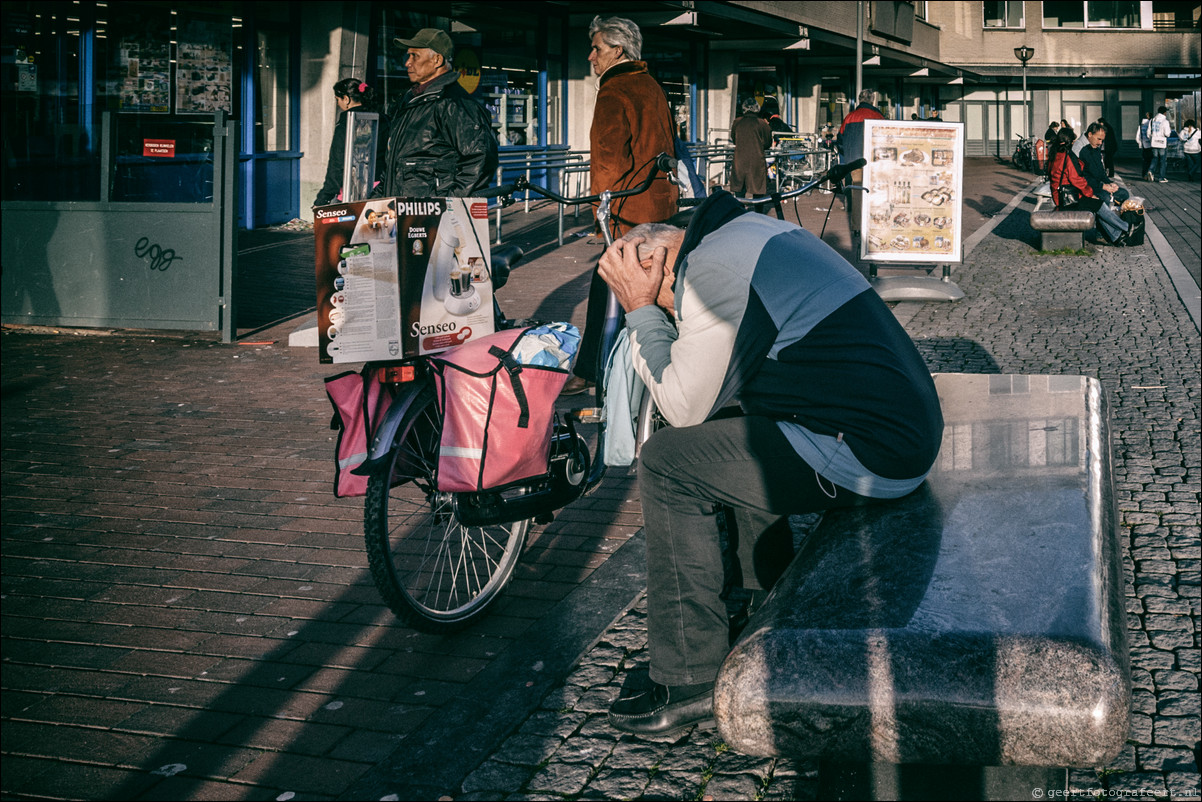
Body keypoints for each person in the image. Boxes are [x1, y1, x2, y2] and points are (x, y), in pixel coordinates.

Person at [595, 191, 944, 735]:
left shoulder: (711, 272)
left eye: (659, 295)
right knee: (730, 417)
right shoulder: (748, 233)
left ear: (661, 265)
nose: (670, 309)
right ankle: (765, 603)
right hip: (892, 430)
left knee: (667, 462)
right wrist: (653, 306)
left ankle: (689, 674)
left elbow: (680, 405)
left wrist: (640, 313)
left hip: (872, 451)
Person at [562, 15, 678, 397]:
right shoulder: (651, 86)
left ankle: (592, 371)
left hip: (628, 211)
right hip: (659, 206)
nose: (590, 56)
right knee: (659, 288)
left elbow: (608, 162)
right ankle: (658, 366)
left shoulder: (614, 90)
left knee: (607, 288)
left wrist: (602, 216)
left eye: (596, 48)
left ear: (617, 50)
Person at [377, 28, 498, 198]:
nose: (407, 63)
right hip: (403, 213)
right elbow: (394, 166)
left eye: (415, 56)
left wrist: (447, 203)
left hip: (431, 217)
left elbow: (482, 158)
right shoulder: (412, 102)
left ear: (437, 59)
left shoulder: (452, 103)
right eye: (408, 56)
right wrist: (374, 201)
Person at [1049, 127, 1133, 245]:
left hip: (1061, 195)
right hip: (1068, 198)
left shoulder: (1056, 154)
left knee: (1098, 204)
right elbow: (1077, 180)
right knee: (1099, 204)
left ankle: (1116, 235)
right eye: (1073, 141)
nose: (1074, 143)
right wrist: (1090, 194)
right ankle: (1126, 227)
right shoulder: (1066, 157)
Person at [314, 79, 385, 207]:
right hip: (381, 188)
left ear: (346, 99)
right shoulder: (383, 120)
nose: (338, 104)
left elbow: (337, 164)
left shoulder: (346, 123)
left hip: (351, 191)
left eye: (337, 99)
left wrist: (323, 198)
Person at [730, 98, 772, 198]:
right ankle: (758, 211)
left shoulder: (737, 122)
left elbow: (734, 139)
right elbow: (767, 143)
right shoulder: (762, 123)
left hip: (739, 159)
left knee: (739, 189)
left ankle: (741, 211)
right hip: (757, 159)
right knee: (758, 189)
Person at [1149, 106, 1171, 183]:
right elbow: (1167, 134)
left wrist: (1152, 138)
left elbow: (1148, 133)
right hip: (1162, 143)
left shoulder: (1152, 120)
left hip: (1154, 142)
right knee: (1163, 160)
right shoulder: (1165, 121)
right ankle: (1161, 178)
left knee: (1154, 158)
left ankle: (1150, 171)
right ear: (1164, 113)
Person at [1137, 111, 1154, 181]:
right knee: (1152, 160)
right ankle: (1150, 172)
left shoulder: (1141, 125)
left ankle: (1144, 175)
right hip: (1151, 145)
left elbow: (1138, 136)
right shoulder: (1152, 124)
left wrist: (1140, 143)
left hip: (1144, 145)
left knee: (1145, 161)